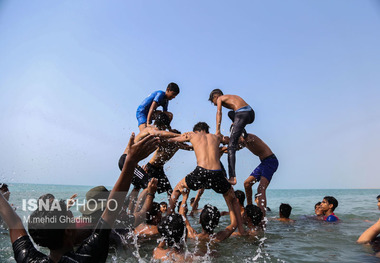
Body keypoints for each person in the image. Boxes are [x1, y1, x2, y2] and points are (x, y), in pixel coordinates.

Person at [0, 133, 159, 263]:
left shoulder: (28, 259)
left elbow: (14, 222)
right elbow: (112, 210)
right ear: (68, 230)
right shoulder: (88, 255)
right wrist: (130, 162)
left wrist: (130, 163)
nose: (72, 215)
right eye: (68, 215)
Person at [167, 122, 246, 235]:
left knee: (177, 190)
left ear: (196, 131)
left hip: (201, 172)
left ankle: (169, 223)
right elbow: (235, 144)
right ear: (207, 130)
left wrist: (164, 140)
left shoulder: (192, 135)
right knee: (232, 199)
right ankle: (241, 230)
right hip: (217, 174)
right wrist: (241, 139)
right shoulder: (217, 137)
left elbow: (174, 140)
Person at [208, 89, 255, 182]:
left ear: (215, 97)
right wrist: (236, 123)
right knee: (230, 113)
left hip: (242, 114)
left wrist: (217, 130)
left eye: (214, 102)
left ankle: (232, 177)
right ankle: (243, 134)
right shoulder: (230, 97)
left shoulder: (220, 98)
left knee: (231, 146)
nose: (215, 104)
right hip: (250, 113)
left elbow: (219, 113)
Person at [242, 133, 278, 218]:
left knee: (261, 188)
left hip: (271, 161)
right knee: (247, 184)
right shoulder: (242, 142)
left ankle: (262, 218)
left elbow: (249, 138)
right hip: (263, 163)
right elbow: (233, 147)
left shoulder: (248, 136)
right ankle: (249, 208)